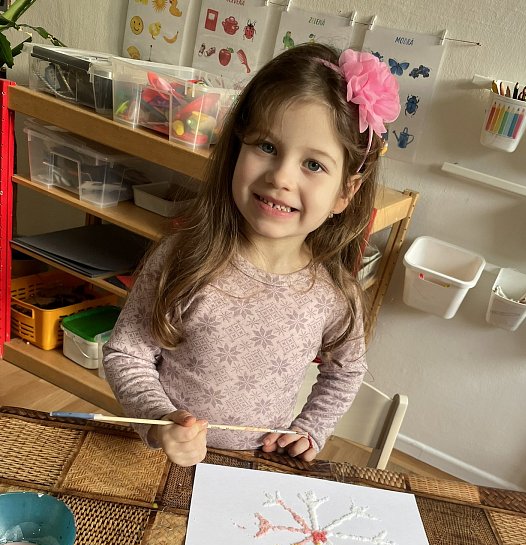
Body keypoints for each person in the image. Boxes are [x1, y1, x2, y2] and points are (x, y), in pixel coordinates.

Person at [103, 43, 400, 467]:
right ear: (237, 149)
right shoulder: (180, 258)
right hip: (161, 458)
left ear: (345, 192)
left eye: (314, 165)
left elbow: (346, 371)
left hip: (255, 468)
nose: (281, 177)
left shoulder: (335, 294)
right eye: (267, 146)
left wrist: (311, 428)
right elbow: (127, 354)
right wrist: (160, 421)